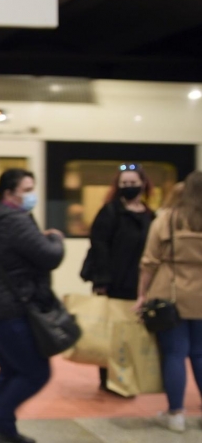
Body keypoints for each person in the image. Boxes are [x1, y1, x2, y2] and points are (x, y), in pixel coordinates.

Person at [0, 169, 64, 443]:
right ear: (9, 194)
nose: (31, 195)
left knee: (11, 368)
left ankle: (5, 431)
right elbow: (49, 256)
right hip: (7, 308)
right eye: (26, 190)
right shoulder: (14, 220)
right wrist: (56, 238)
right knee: (37, 371)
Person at [137, 171, 202, 433]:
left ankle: (176, 413)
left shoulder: (167, 220)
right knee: (199, 353)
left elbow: (149, 261)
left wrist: (142, 294)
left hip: (170, 293)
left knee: (174, 353)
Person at [87, 165, 155, 391]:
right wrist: (102, 281)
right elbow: (99, 246)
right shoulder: (109, 212)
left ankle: (130, 377)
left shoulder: (150, 215)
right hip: (113, 282)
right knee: (112, 333)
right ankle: (108, 380)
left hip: (140, 285)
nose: (129, 187)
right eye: (124, 184)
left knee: (133, 334)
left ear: (143, 184)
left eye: (132, 182)